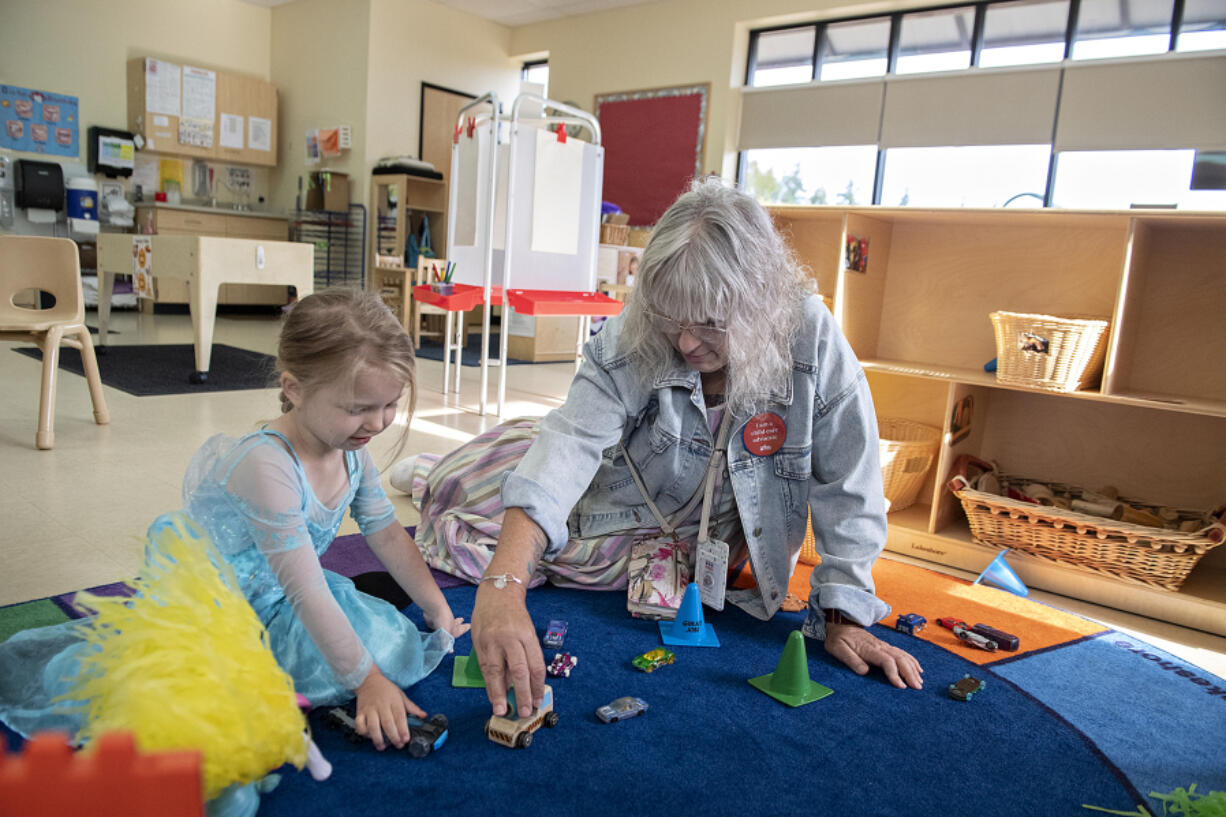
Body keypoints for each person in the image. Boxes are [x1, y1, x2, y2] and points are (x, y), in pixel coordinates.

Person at [396, 178, 922, 720]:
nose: (687, 344)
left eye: (709, 326)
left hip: (708, 535)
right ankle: (437, 471)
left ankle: (442, 473)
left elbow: (850, 483)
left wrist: (845, 613)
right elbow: (572, 439)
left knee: (602, 568)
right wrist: (504, 586)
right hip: (621, 493)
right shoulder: (636, 328)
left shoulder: (811, 333)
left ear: (759, 300)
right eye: (673, 323)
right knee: (497, 491)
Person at [0, 288, 469, 753]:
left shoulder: (352, 452)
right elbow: (306, 590)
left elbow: (386, 533)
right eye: (358, 408)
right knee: (214, 706)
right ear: (294, 389)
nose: (378, 422)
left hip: (279, 597)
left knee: (386, 642)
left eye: (390, 404)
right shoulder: (267, 465)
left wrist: (438, 611)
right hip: (216, 615)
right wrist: (365, 680)